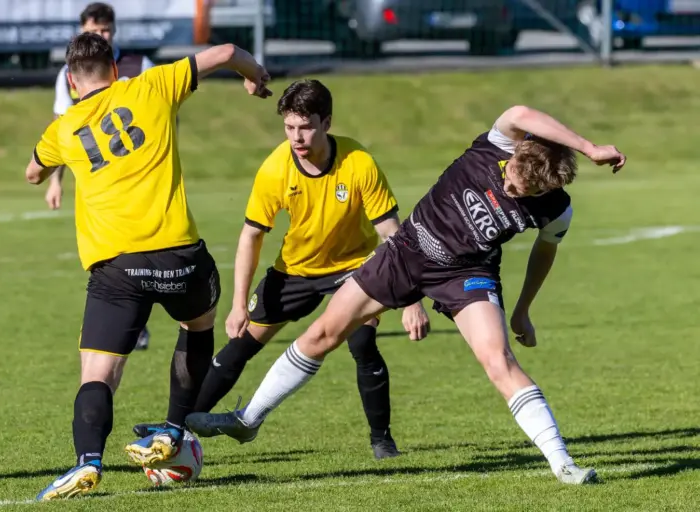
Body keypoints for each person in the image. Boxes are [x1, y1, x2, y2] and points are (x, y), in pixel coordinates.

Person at [184, 105, 627, 485]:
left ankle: (563, 463)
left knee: (499, 360)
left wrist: (524, 310)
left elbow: (543, 254)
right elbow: (521, 113)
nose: (512, 192)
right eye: (511, 181)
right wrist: (591, 148)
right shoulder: (498, 143)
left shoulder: (555, 207)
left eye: (522, 193)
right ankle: (249, 420)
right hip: (407, 252)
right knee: (323, 334)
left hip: (466, 274)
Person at [26, 33, 271, 501]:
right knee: (198, 329)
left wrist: (53, 160)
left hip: (118, 267)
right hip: (182, 256)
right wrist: (254, 75)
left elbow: (33, 172)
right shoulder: (152, 86)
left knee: (97, 374)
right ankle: (173, 429)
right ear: (115, 70)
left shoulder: (65, 127)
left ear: (73, 83)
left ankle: (88, 462)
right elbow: (223, 53)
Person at [131, 79, 430, 460]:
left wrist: (411, 300)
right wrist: (239, 303)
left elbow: (393, 233)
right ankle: (177, 427)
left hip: (355, 269)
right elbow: (250, 236)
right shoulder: (275, 168)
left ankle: (382, 441)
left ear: (327, 122)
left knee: (362, 343)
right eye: (289, 127)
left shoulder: (359, 163)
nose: (297, 137)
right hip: (295, 271)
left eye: (305, 126)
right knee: (239, 346)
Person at [47, 2, 156, 350]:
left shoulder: (138, 67)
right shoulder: (72, 72)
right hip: (99, 181)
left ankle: (139, 323)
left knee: (148, 248)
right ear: (82, 30)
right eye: (94, 30)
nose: (101, 35)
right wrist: (56, 180)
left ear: (114, 31)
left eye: (106, 30)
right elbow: (62, 129)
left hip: (141, 177)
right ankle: (126, 326)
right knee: (110, 250)